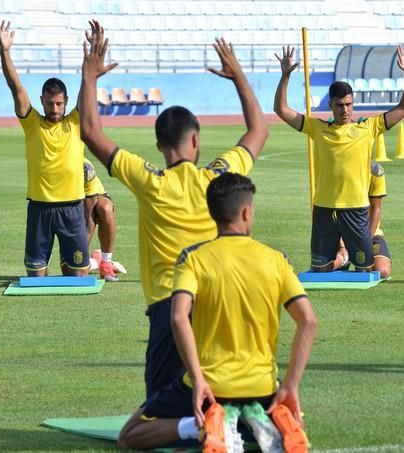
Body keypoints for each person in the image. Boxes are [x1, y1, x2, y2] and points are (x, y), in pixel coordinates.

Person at [79, 21, 268, 398]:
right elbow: (258, 131)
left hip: (170, 307)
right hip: (218, 303)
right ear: (195, 139)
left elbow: (90, 131)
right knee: (218, 392)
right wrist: (239, 79)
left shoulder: (149, 180)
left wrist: (89, 75)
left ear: (159, 144)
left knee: (160, 405)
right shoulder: (219, 177)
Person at [117, 173, 317, 452]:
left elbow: (178, 317)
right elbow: (308, 321)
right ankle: (266, 419)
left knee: (130, 434)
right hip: (262, 386)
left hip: (208, 388)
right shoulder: (276, 259)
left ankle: (202, 425)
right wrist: (291, 386)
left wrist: (198, 380)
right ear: (247, 211)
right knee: (282, 409)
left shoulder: (193, 258)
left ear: (213, 214)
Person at [273, 45, 404, 273]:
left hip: (356, 210)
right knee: (320, 271)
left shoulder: (368, 127)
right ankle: (341, 258)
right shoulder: (317, 128)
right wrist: (285, 76)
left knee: (365, 270)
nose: (345, 110)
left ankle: (349, 256)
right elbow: (281, 109)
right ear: (330, 105)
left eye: (348, 104)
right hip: (324, 209)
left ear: (353, 103)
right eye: (339, 105)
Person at [0, 20, 89, 277]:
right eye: (50, 103)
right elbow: (15, 87)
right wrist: (5, 52)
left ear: (66, 102)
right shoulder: (32, 123)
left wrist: (89, 58)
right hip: (40, 209)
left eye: (59, 104)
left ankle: (67, 256)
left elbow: (88, 86)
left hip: (72, 209)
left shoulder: (76, 121)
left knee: (79, 277)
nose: (55, 109)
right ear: (42, 101)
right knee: (35, 276)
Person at [83, 158, 120, 281]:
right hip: (70, 201)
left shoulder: (84, 166)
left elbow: (88, 218)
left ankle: (106, 262)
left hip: (93, 195)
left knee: (105, 209)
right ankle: (93, 260)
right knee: (77, 270)